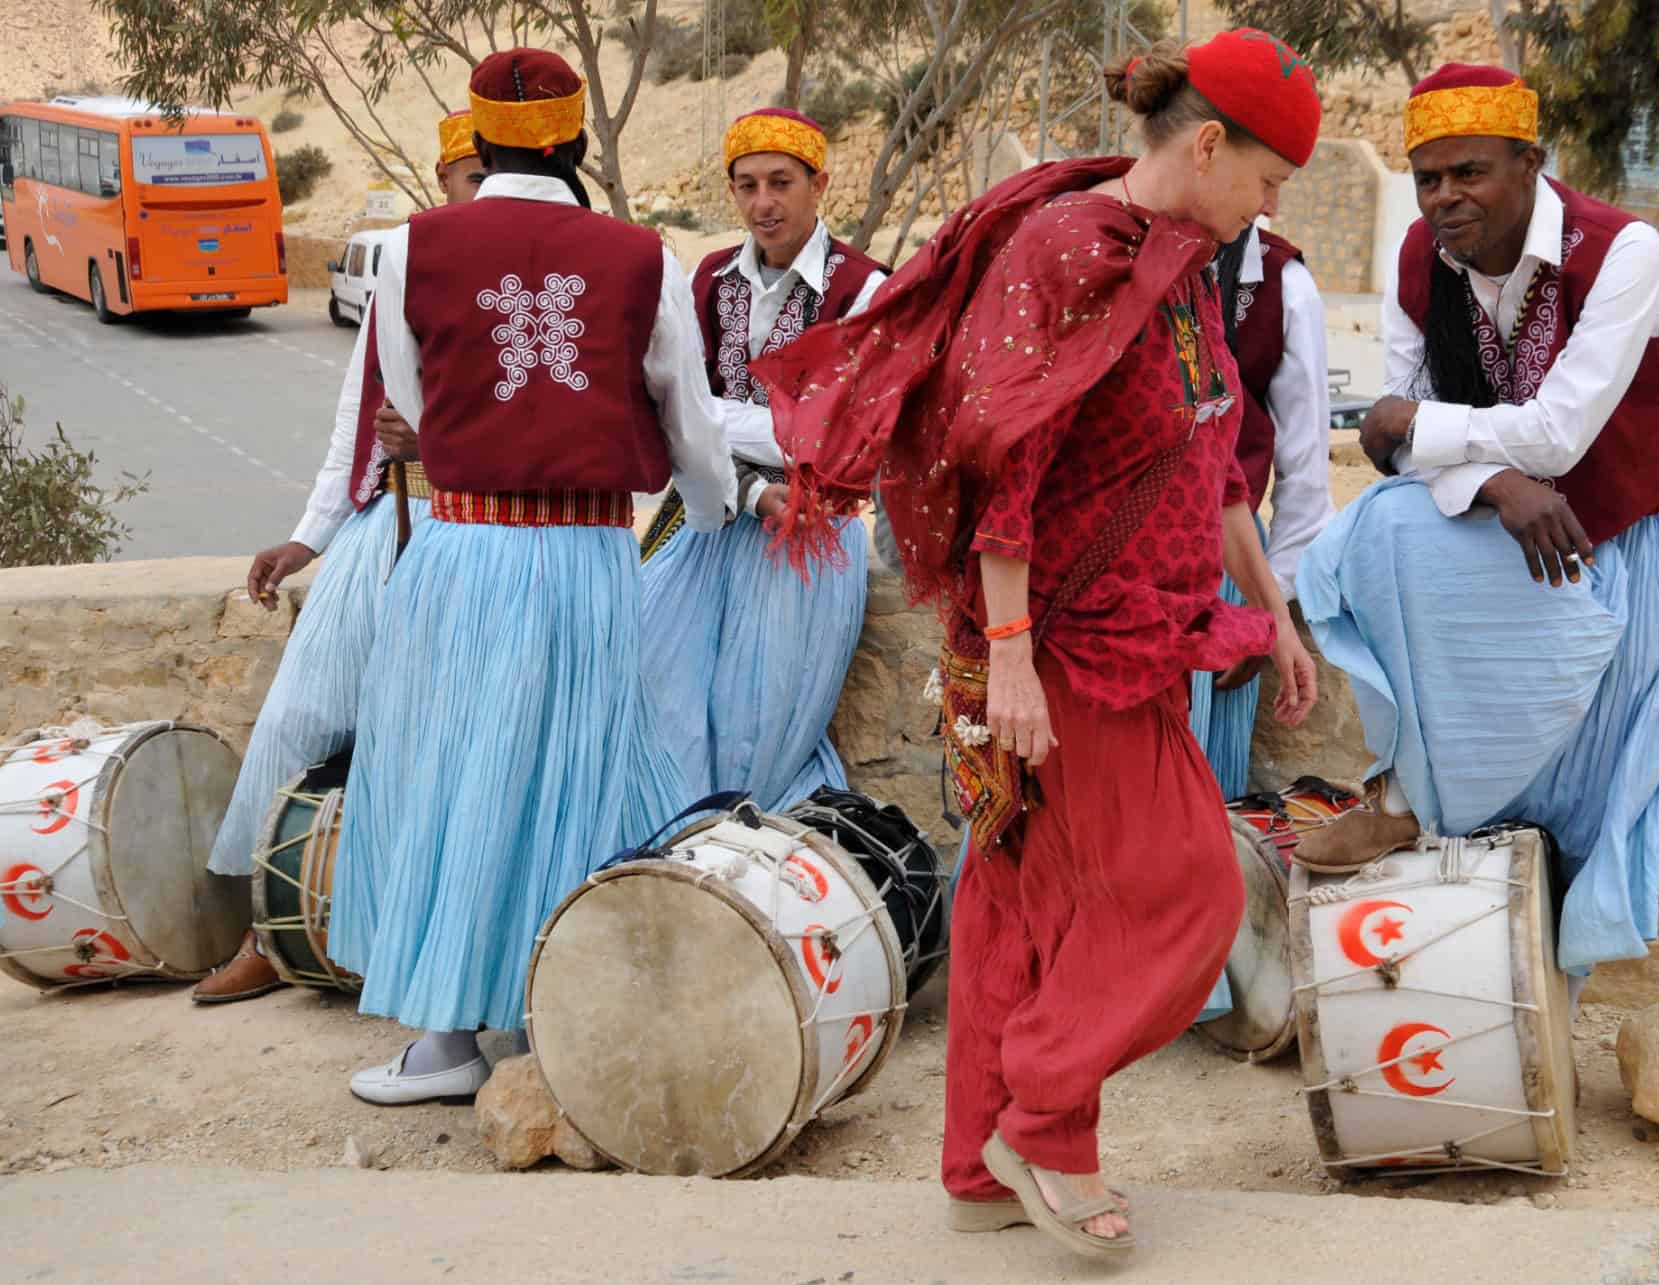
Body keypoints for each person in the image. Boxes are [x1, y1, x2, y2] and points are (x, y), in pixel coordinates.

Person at [757, 30, 1322, 1260]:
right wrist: (1009, 652)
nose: (1273, 208)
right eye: (1271, 181)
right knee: (1189, 890)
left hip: (1140, 631)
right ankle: (1048, 1123)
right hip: (1067, 648)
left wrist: (1270, 610)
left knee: (1025, 900)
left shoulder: (1180, 263)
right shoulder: (1068, 246)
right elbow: (1002, 450)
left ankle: (978, 1160)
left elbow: (1214, 450)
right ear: (1212, 146)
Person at [328, 48, 735, 1105]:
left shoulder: (408, 247)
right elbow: (686, 418)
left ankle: (449, 1040)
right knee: (579, 778)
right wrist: (714, 507)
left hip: (458, 552)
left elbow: (410, 402)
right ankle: (578, 1012)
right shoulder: (638, 254)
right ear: (570, 140)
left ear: (482, 137)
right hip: (582, 556)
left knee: (451, 775)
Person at [1291, 64, 1659, 996]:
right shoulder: (1418, 257)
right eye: (1428, 177)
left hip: (1645, 528)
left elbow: (1552, 430)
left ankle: (1544, 980)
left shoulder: (1623, 251)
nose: (1446, 198)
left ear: (1531, 162)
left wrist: (1419, 428)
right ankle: (1406, 794)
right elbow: (1403, 448)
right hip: (1514, 521)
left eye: (1471, 173)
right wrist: (1496, 478)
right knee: (1366, 537)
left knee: (1595, 767)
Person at [191, 111, 487, 1004]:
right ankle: (265, 927)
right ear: (444, 182)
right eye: (467, 175)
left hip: (487, 537)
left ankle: (414, 945)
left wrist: (433, 438)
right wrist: (306, 539)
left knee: (443, 744)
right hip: (384, 526)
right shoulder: (405, 267)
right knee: (299, 716)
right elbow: (351, 428)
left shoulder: (542, 278)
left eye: (492, 174)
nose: (478, 192)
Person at [637, 107, 886, 810]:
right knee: (655, 681)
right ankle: (675, 861)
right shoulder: (713, 278)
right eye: (746, 186)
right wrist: (754, 470)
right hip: (715, 519)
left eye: (781, 182)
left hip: (807, 538)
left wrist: (720, 418)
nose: (762, 203)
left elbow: (840, 440)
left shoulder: (864, 288)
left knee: (760, 727)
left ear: (820, 185)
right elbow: (675, 413)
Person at [1187, 219, 1334, 800]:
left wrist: (1264, 606)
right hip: (1122, 556)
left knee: (1196, 778)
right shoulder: (1131, 245)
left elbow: (1306, 471)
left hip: (1228, 556)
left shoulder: (1284, 285)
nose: (1270, 199)